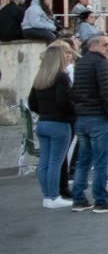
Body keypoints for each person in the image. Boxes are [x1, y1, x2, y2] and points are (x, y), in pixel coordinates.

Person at [70, 33, 108, 212]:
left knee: (83, 160)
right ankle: (101, 200)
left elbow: (75, 91)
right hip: (98, 117)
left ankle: (78, 198)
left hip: (82, 117)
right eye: (105, 45)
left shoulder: (81, 63)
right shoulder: (100, 64)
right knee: (101, 161)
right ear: (93, 46)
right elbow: (107, 90)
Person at [27, 44, 75, 209]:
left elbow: (31, 103)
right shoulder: (61, 77)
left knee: (45, 162)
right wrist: (72, 113)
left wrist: (45, 111)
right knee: (56, 162)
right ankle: (53, 196)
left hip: (43, 122)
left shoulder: (40, 78)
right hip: (59, 123)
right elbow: (64, 102)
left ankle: (47, 196)